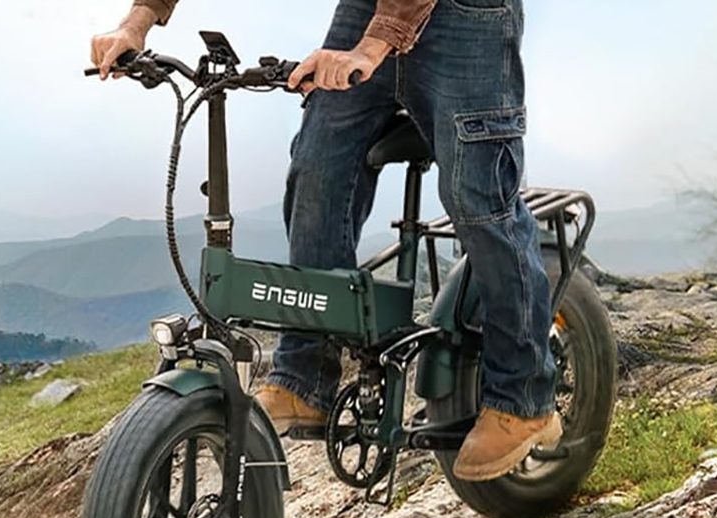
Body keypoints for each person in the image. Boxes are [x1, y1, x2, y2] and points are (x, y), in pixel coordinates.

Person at [91, 0, 560, 483]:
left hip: (468, 18)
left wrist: (373, 46)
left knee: (479, 197)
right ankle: (306, 379)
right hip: (368, 9)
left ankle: (523, 399)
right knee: (316, 171)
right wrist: (137, 22)